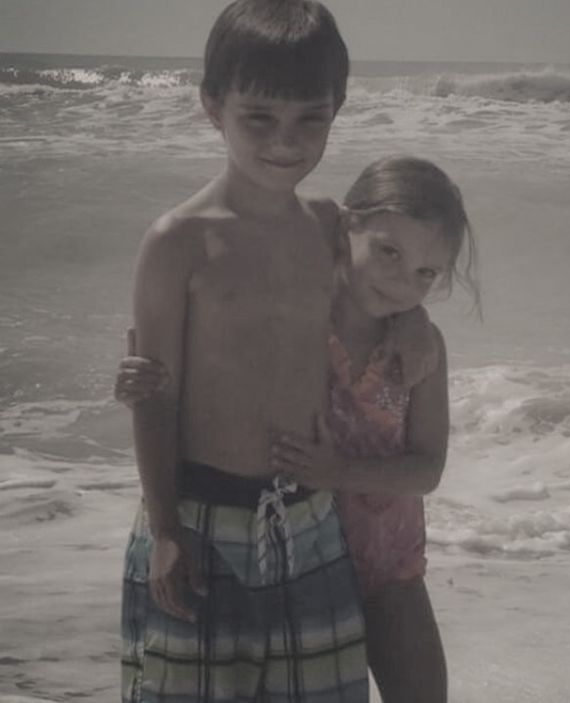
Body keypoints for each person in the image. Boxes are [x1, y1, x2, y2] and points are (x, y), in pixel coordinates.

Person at [117, 156, 480, 703]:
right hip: (295, 551)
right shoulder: (299, 317)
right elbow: (213, 379)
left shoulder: (418, 353)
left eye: (426, 273)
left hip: (388, 562)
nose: (404, 282)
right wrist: (141, 378)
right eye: (389, 252)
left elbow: (427, 468)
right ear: (347, 227)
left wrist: (341, 471)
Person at [119, 1, 368, 702]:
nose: (284, 141)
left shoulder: (328, 225)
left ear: (336, 108)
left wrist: (415, 342)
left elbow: (386, 308)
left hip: (309, 519)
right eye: (258, 116)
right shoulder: (178, 240)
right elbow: (155, 393)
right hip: (200, 519)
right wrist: (165, 527)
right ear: (211, 107)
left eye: (308, 118)